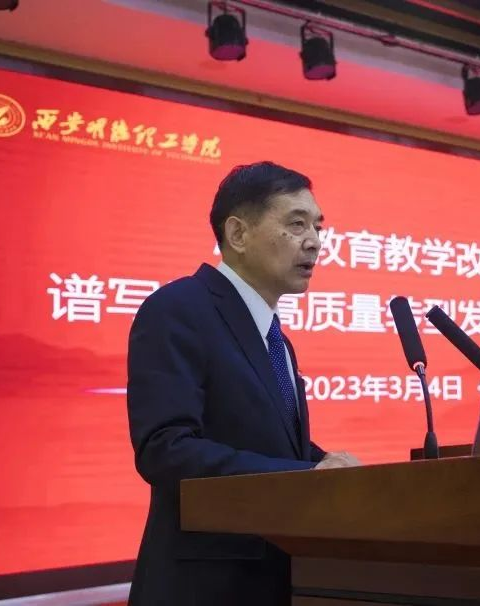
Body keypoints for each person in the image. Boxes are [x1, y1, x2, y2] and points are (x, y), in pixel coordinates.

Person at [125, 161, 360, 605]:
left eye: (318, 226)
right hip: (204, 586)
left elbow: (265, 442)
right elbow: (164, 449)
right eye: (296, 224)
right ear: (237, 234)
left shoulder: (275, 337)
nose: (315, 241)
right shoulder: (178, 309)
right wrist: (306, 474)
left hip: (276, 577)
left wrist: (325, 463)